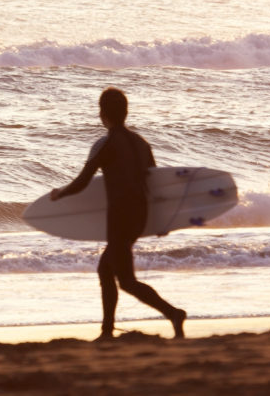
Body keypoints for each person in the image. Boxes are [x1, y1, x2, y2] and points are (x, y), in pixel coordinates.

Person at [51, 87, 186, 340]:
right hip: (139, 216)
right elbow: (155, 184)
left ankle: (173, 313)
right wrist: (161, 220)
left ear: (102, 114)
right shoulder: (142, 143)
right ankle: (107, 330)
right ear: (126, 112)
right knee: (106, 270)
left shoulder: (105, 144)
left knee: (125, 281)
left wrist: (60, 193)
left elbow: (83, 181)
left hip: (120, 217)